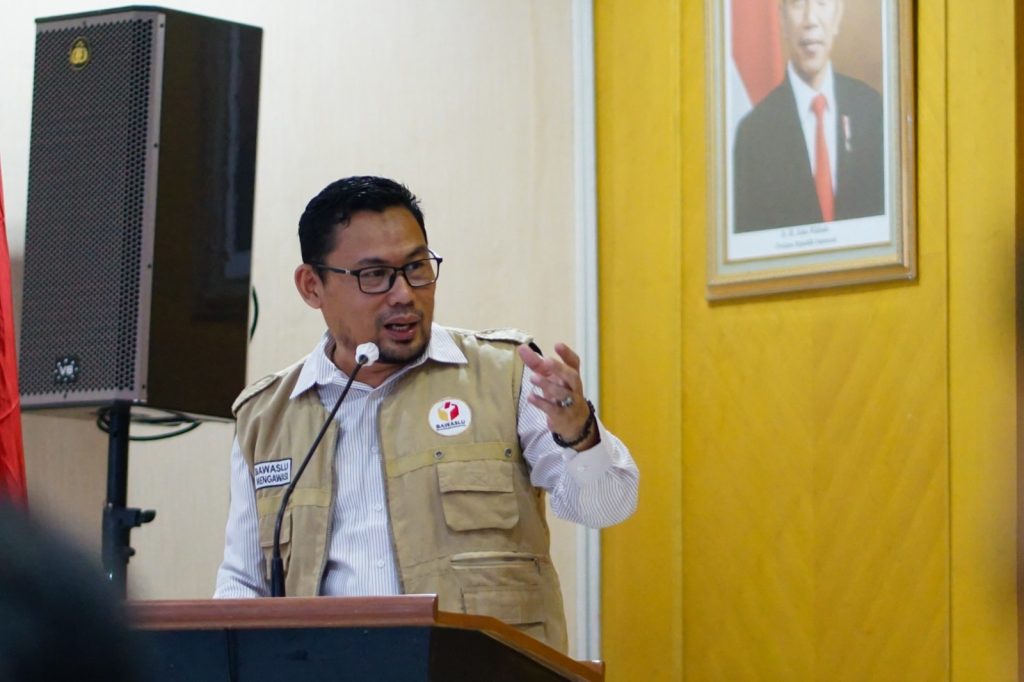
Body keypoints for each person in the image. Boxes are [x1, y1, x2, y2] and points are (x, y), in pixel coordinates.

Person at [214, 176, 639, 653]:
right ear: (312, 286)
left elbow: (607, 506)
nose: (404, 294)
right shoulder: (266, 417)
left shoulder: (505, 375)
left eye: (417, 267)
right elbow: (243, 583)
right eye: (374, 275)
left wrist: (579, 433)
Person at [733, 0, 884, 232]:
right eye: (798, 4)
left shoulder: (871, 109)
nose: (810, 20)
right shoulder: (753, 133)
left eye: (821, 3)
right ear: (782, 19)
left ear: (837, 15)